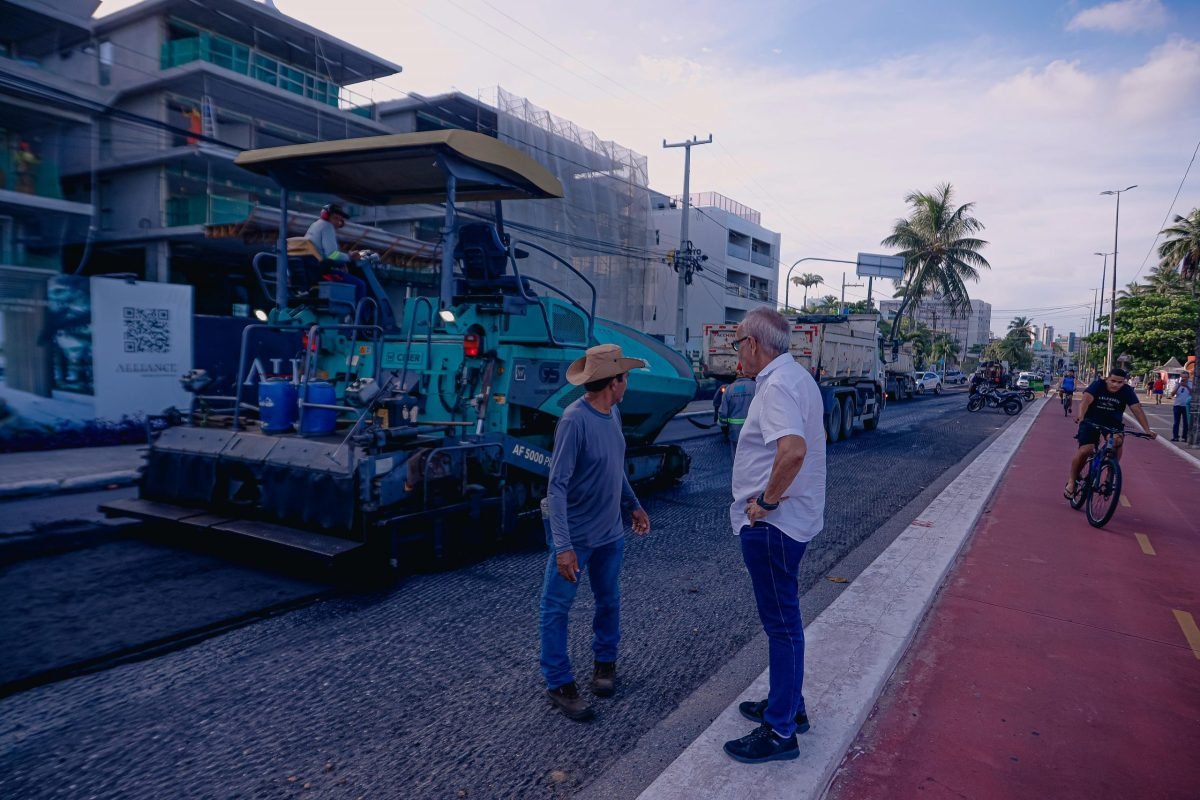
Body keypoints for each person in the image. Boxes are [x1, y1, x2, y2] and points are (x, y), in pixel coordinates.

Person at [721, 308, 826, 765]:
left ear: (752, 345)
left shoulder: (778, 386)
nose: (736, 351)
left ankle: (781, 731)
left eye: (737, 342)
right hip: (790, 523)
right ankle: (790, 706)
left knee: (781, 627)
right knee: (785, 623)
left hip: (773, 527)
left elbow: (794, 450)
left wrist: (764, 503)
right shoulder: (797, 378)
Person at [539, 343, 651, 721]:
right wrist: (563, 547)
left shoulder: (612, 413)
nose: (627, 384)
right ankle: (558, 682)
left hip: (609, 534)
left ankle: (605, 664)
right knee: (556, 608)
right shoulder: (574, 420)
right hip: (576, 538)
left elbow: (614, 468)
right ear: (613, 382)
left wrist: (632, 504)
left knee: (609, 601)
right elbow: (556, 487)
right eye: (626, 378)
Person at [1065, 368, 1156, 500]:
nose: (1116, 385)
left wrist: (1147, 430)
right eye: (1113, 381)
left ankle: (1110, 472)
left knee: (1117, 441)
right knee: (1086, 449)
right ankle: (1072, 481)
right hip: (1091, 420)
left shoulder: (1127, 391)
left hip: (1112, 424)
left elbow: (1136, 408)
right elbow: (1086, 400)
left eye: (1120, 382)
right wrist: (1081, 415)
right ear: (1107, 378)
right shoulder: (1098, 385)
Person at [304, 203, 367, 300]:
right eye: (335, 218)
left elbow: (325, 254)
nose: (338, 222)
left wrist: (341, 263)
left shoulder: (315, 225)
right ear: (326, 216)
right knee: (360, 285)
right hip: (320, 271)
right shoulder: (327, 227)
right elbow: (332, 255)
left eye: (340, 219)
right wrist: (350, 257)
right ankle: (359, 314)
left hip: (312, 269)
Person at [718, 365, 755, 456]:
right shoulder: (756, 387)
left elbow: (722, 413)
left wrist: (724, 427)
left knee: (736, 460)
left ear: (737, 372)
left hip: (734, 433)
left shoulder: (729, 389)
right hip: (753, 432)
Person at [1170, 375, 1192, 442]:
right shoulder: (1177, 384)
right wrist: (1178, 386)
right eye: (1182, 377)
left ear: (1188, 377)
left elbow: (1193, 393)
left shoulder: (1191, 384)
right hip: (1177, 405)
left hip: (1186, 406)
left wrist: (1187, 386)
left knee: (1186, 422)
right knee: (1176, 422)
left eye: (1185, 377)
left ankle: (1184, 437)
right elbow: (1172, 394)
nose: (1184, 378)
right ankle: (1175, 436)